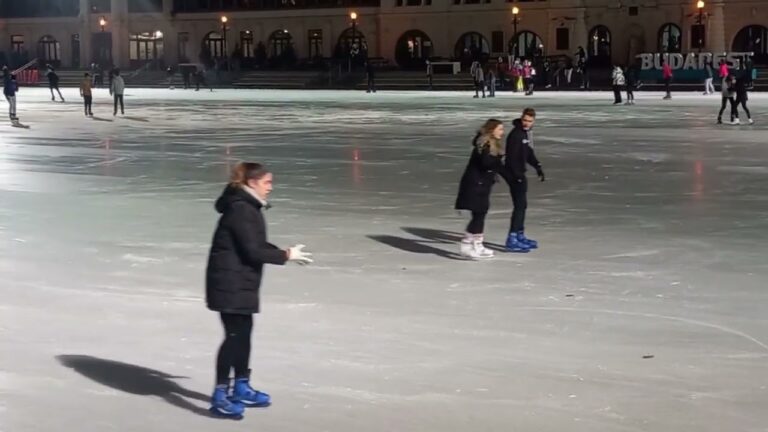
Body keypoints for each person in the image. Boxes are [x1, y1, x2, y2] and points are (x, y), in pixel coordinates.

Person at [205, 162, 313, 418]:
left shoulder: (246, 207)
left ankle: (241, 386)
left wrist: (282, 252)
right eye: (267, 182)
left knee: (243, 335)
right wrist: (285, 255)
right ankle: (220, 394)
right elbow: (252, 250)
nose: (271, 188)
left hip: (239, 282)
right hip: (229, 284)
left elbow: (254, 243)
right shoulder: (242, 209)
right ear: (252, 183)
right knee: (234, 337)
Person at [454, 119, 505, 259]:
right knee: (479, 213)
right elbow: (486, 163)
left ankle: (477, 244)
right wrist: (500, 159)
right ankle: (466, 244)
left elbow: (494, 165)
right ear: (492, 129)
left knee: (481, 214)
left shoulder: (492, 144)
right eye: (500, 129)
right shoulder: (484, 144)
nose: (502, 132)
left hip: (482, 184)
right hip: (475, 184)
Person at [500, 108, 545, 253]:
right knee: (519, 206)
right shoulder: (516, 135)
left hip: (519, 174)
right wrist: (517, 175)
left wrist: (537, 166)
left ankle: (519, 234)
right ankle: (512, 238)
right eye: (525, 120)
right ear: (521, 119)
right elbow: (512, 158)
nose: (527, 123)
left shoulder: (525, 133)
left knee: (522, 206)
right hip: (515, 175)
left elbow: (528, 153)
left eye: (530, 121)